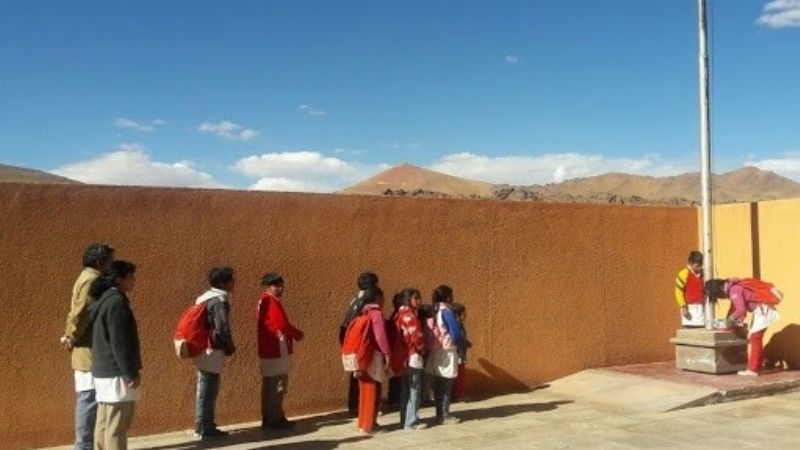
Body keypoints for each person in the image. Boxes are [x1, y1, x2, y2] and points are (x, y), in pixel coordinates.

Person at [61, 243, 114, 450]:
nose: (111, 265)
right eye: (109, 261)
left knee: (89, 396)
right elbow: (81, 312)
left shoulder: (85, 277)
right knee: (88, 397)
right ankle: (83, 445)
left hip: (86, 347)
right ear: (100, 262)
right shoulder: (92, 280)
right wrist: (71, 337)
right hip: (87, 348)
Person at [88, 261, 141, 450]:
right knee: (116, 426)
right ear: (119, 279)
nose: (134, 280)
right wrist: (130, 373)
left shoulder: (103, 300)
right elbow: (120, 342)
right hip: (116, 373)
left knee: (104, 424)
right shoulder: (116, 302)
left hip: (104, 371)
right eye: (131, 276)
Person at [193, 267, 236, 439]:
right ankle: (205, 427)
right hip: (212, 350)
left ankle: (202, 424)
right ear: (224, 283)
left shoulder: (204, 297)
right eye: (232, 280)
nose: (234, 283)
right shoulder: (219, 300)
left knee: (204, 388)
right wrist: (229, 347)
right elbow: (221, 328)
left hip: (202, 348)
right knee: (209, 390)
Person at [257, 272, 304, 431]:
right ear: (268, 287)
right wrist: (297, 334)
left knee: (268, 385)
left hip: (268, 349)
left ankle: (268, 418)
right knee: (278, 385)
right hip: (277, 348)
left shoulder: (263, 300)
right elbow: (282, 325)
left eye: (281, 284)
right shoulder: (271, 302)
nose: (280, 288)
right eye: (276, 285)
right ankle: (275, 418)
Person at [707, 278, 781, 376]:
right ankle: (758, 363)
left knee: (755, 337)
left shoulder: (734, 290)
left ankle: (753, 369)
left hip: (763, 311)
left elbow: (740, 309)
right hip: (761, 311)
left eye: (718, 296)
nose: (721, 298)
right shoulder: (733, 288)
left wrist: (729, 321)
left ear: (719, 290)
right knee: (755, 337)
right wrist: (730, 322)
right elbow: (736, 309)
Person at [339, 272, 379, 415]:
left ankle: (355, 406)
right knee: (364, 374)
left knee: (355, 373)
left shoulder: (355, 299)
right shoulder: (368, 299)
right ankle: (364, 408)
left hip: (350, 338)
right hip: (361, 341)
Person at [425, 285, 465, 425]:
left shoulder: (434, 310)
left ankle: (439, 413)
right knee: (446, 385)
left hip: (436, 350)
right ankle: (444, 415)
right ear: (448, 297)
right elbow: (454, 332)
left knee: (438, 385)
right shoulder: (447, 311)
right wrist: (462, 344)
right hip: (447, 351)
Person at [356, 287, 391, 434]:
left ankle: (363, 422)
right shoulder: (376, 314)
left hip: (362, 356)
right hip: (374, 356)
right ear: (377, 298)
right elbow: (380, 337)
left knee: (364, 390)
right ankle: (371, 424)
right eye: (382, 298)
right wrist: (387, 354)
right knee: (374, 390)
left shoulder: (361, 312)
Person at [391, 288, 427, 430]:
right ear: (407, 300)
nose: (419, 301)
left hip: (403, 357)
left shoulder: (399, 314)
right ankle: (411, 421)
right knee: (414, 390)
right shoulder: (410, 317)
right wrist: (423, 349)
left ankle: (404, 419)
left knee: (405, 390)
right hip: (413, 356)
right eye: (415, 298)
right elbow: (417, 337)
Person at [674, 251, 705, 327]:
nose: (699, 268)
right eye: (697, 266)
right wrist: (683, 306)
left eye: (701, 265)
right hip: (689, 309)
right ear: (690, 263)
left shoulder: (703, 274)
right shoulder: (684, 274)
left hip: (701, 310)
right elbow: (678, 292)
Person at [385, 292, 404, 412]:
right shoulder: (400, 316)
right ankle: (394, 401)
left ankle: (393, 400)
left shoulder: (394, 315)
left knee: (395, 377)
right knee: (397, 377)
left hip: (394, 350)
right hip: (397, 350)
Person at [451, 303, 472, 402]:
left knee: (460, 375)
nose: (465, 316)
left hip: (461, 354)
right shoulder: (456, 327)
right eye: (464, 314)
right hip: (458, 355)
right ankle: (459, 395)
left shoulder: (460, 325)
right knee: (460, 376)